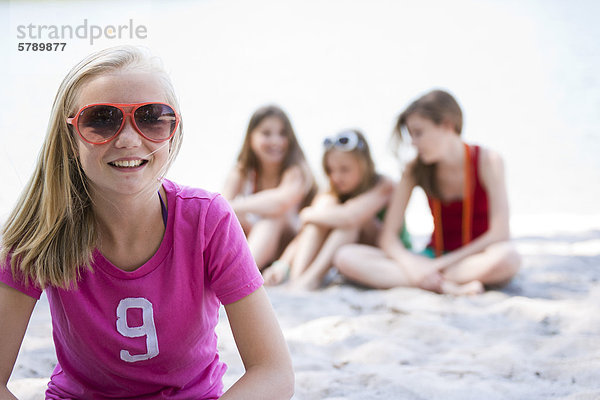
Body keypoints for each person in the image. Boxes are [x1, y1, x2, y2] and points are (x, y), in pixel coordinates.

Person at [0, 46, 294, 400]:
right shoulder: (42, 228)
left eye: (152, 117)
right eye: (102, 119)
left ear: (174, 130)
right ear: (71, 134)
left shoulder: (207, 220)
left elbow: (273, 371)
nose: (127, 139)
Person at [334, 90, 521, 295]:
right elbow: (388, 238)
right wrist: (413, 266)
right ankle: (446, 286)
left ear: (447, 126)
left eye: (418, 133)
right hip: (431, 257)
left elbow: (500, 233)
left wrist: (438, 266)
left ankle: (430, 281)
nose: (413, 142)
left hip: (470, 258)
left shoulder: (489, 161)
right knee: (346, 256)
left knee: (508, 257)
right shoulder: (415, 169)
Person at [264, 129, 407, 291]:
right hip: (347, 253)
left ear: (364, 165)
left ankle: (312, 278)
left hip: (381, 255)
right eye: (331, 170)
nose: (336, 177)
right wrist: (282, 264)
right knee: (326, 205)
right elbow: (304, 234)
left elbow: (350, 217)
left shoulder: (383, 185)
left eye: (344, 169)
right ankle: (298, 278)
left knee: (344, 221)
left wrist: (307, 213)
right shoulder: (333, 193)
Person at [222, 105, 316, 270]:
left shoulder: (296, 170)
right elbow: (220, 211)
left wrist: (234, 205)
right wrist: (231, 208)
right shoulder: (242, 171)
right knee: (231, 220)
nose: (275, 141)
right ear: (251, 138)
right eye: (266, 134)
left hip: (291, 245)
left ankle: (243, 272)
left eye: (282, 134)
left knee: (272, 219)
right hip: (254, 241)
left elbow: (280, 203)